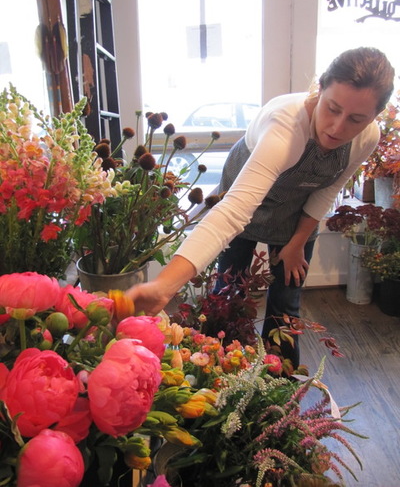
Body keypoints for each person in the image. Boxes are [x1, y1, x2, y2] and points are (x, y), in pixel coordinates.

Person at [126, 46, 395, 367]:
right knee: (228, 296)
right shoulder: (286, 126)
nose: (337, 128)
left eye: (356, 118)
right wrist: (162, 286)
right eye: (332, 108)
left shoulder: (367, 137)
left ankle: (279, 389)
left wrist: (296, 244)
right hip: (247, 195)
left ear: (374, 117)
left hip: (299, 211)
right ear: (320, 88)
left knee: (287, 303)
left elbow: (327, 190)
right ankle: (223, 377)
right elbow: (233, 212)